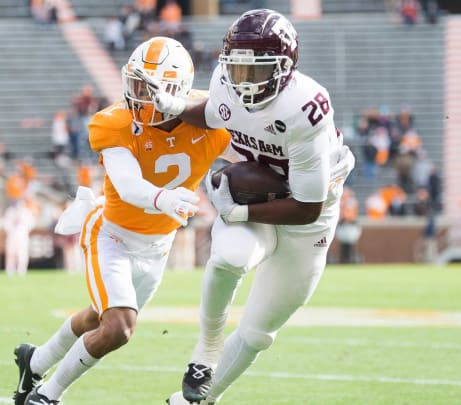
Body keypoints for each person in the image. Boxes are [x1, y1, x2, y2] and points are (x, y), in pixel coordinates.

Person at [141, 10, 355, 404]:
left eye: (255, 72)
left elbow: (307, 206)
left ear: (285, 69)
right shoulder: (226, 82)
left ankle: (197, 402)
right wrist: (174, 107)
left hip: (308, 214)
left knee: (258, 333)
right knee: (230, 258)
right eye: (237, 70)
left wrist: (239, 214)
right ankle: (206, 349)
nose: (244, 82)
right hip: (258, 193)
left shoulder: (305, 109)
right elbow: (212, 113)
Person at [11, 37, 231, 405]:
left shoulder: (209, 122)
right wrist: (163, 197)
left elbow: (252, 151)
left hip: (158, 246)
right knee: (119, 327)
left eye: (152, 88)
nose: (141, 96)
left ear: (177, 91)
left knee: (101, 319)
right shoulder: (116, 122)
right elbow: (128, 185)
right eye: (137, 84)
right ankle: (46, 396)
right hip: (110, 234)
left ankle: (35, 360)